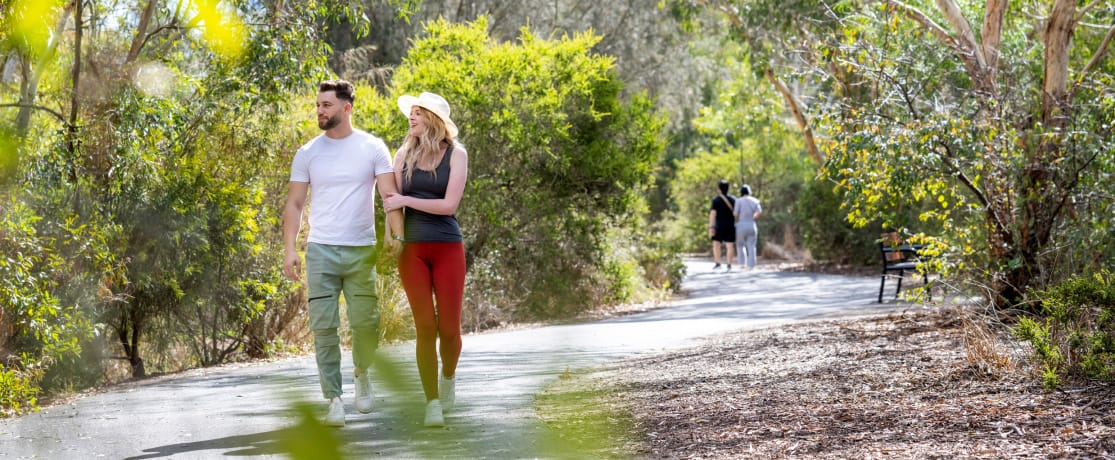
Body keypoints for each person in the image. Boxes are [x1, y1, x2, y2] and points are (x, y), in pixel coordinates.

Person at [282, 79, 404, 428]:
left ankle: (362, 372)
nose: (319, 111)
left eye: (326, 105)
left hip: (361, 251)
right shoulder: (308, 153)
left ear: (346, 108)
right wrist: (290, 249)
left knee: (367, 321)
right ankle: (334, 398)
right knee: (324, 327)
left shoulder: (372, 147)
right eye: (318, 105)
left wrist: (396, 236)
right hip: (320, 250)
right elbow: (294, 203)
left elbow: (389, 197)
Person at [382, 92, 468, 428]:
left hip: (447, 246)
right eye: (411, 112)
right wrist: (392, 237)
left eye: (418, 112)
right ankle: (432, 402)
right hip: (413, 250)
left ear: (433, 119)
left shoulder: (456, 154)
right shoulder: (403, 154)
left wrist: (406, 200)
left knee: (449, 330)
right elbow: (391, 203)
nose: (411, 117)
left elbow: (449, 206)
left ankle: (448, 377)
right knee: (425, 327)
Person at [708, 179, 736, 271]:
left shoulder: (716, 200)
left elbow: (713, 213)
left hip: (718, 225)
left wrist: (711, 226)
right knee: (730, 245)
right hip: (730, 225)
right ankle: (729, 265)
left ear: (719, 188)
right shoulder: (733, 199)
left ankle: (718, 263)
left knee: (716, 244)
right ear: (728, 188)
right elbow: (736, 213)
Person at [733, 184, 762, 270]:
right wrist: (753, 217)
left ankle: (742, 263)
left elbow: (735, 213)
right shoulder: (755, 201)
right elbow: (759, 212)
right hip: (751, 224)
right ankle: (751, 265)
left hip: (741, 224)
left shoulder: (738, 201)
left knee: (740, 244)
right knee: (751, 245)